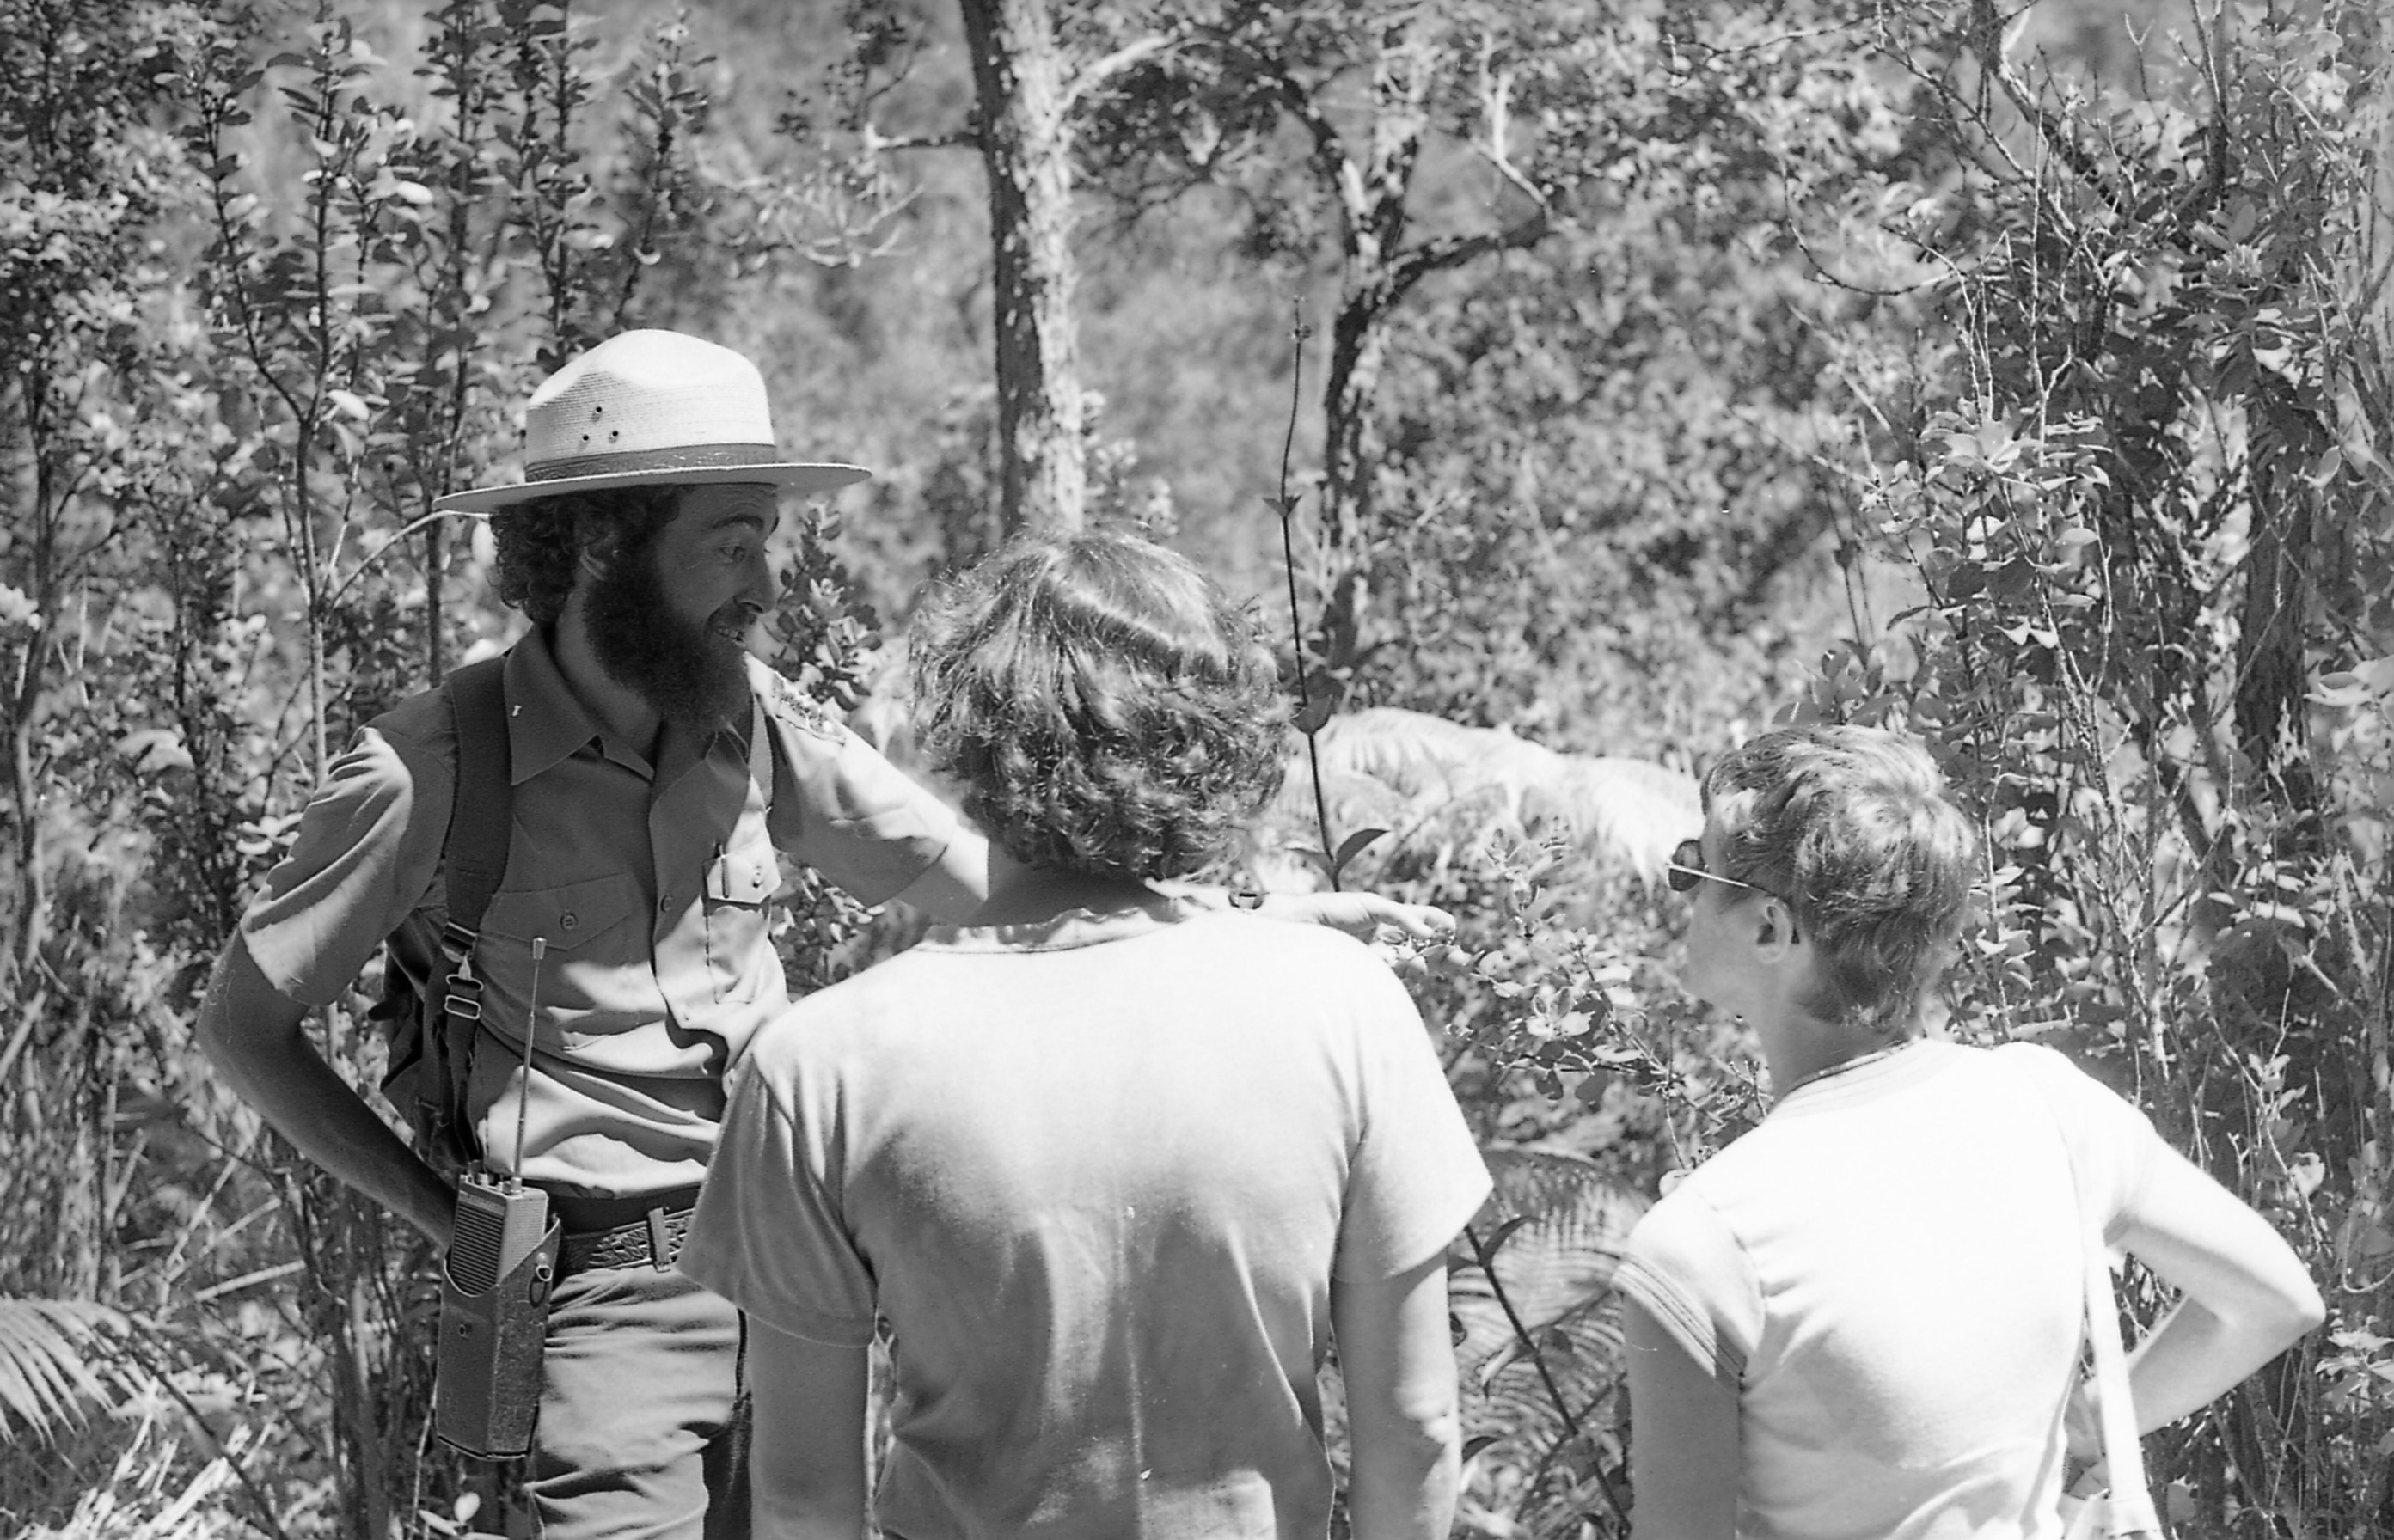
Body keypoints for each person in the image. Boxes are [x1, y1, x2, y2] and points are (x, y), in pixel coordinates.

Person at [193, 330, 1449, 1540]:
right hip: (599, 1297)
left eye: (770, 539)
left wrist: (1242, 927)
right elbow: (244, 1029)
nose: (771, 584)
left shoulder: (751, 721)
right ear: (592, 546)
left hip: (811, 1276)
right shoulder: (427, 772)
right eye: (733, 543)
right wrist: (438, 1216)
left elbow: (985, 877)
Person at [677, 531, 1493, 1540]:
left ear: (966, 736)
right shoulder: (1342, 1006)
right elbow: (1414, 1425)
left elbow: (804, 1494)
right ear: (1213, 739)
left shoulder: (822, 1064)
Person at [1615, 724, 2324, 1540]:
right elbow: (2273, 1298)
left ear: (1772, 929)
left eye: (1689, 870)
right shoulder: (2050, 1107)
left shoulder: (1704, 1244)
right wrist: (2085, 1426)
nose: (1679, 895)